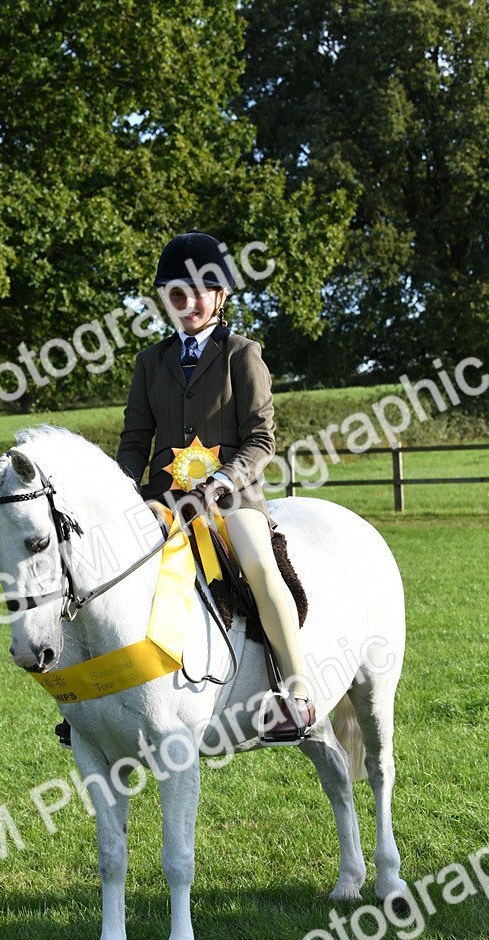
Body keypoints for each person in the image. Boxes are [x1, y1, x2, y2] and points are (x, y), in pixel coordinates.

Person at [116, 230, 315, 740]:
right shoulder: (148, 362)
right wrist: (120, 491)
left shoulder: (242, 354)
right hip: (163, 498)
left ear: (220, 296)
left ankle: (296, 692)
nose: (189, 304)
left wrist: (225, 480)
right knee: (109, 573)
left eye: (201, 292)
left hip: (232, 497)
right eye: (177, 295)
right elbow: (136, 440)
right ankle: (103, 704)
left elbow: (262, 438)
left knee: (258, 563)